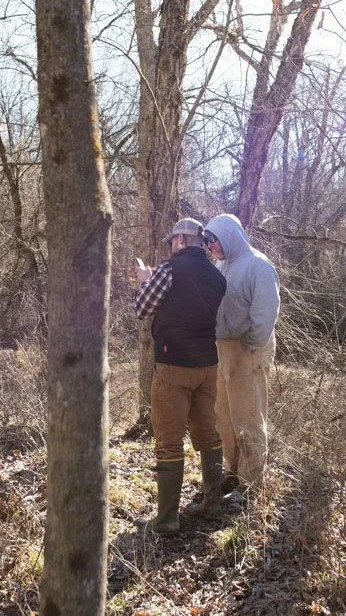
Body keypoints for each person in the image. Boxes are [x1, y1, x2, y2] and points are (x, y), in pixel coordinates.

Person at [133, 218, 228, 534]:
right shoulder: (216, 277)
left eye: (173, 240)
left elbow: (142, 308)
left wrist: (146, 280)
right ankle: (212, 502)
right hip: (207, 366)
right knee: (208, 434)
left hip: (174, 365)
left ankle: (167, 518)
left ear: (181, 241)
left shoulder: (170, 269)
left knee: (170, 440)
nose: (171, 246)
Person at [202, 213, 280, 504]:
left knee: (248, 417)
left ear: (229, 236)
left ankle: (251, 485)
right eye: (208, 243)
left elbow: (267, 311)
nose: (211, 247)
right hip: (224, 351)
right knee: (225, 415)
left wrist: (253, 344)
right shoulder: (222, 266)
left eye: (215, 240)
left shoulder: (258, 265)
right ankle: (231, 474)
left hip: (248, 350)